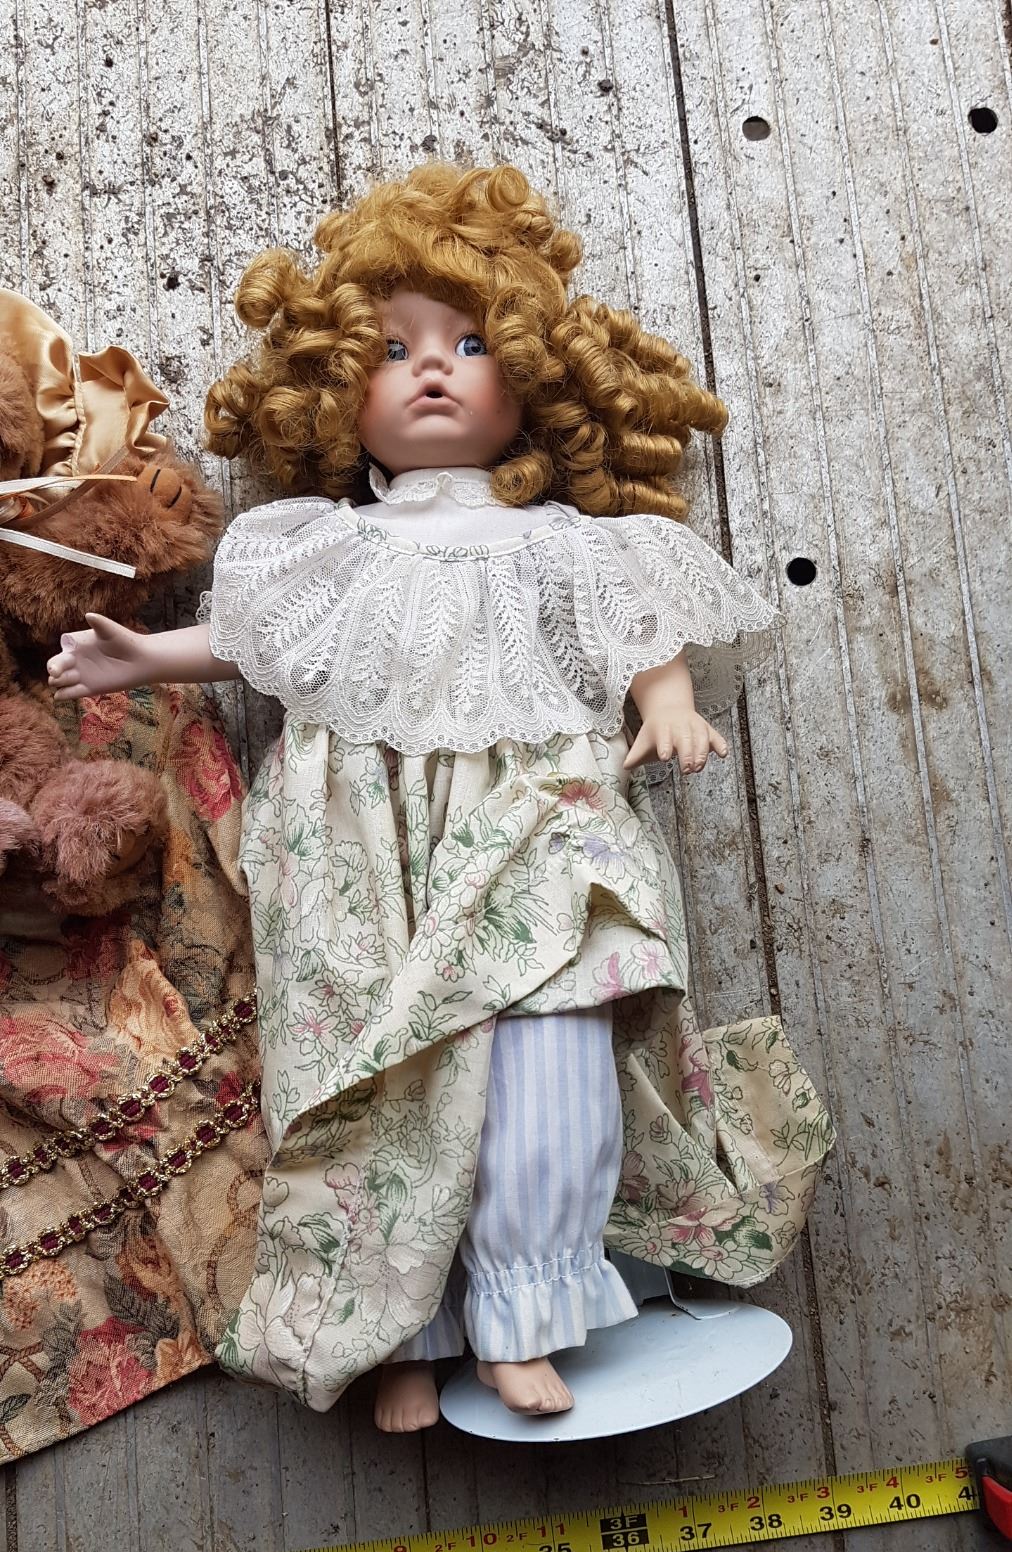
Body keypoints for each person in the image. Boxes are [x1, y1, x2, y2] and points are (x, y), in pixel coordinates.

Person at [49, 163, 834, 1432]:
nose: (432, 368)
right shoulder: (317, 544)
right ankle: (398, 1332)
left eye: (470, 344)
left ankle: (527, 1310)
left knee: (551, 1062)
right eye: (392, 347)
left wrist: (666, 700)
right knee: (368, 1071)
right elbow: (255, 643)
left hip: (534, 824)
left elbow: (636, 623)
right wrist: (142, 657)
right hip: (355, 837)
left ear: (530, 373)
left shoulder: (568, 539)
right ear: (330, 384)